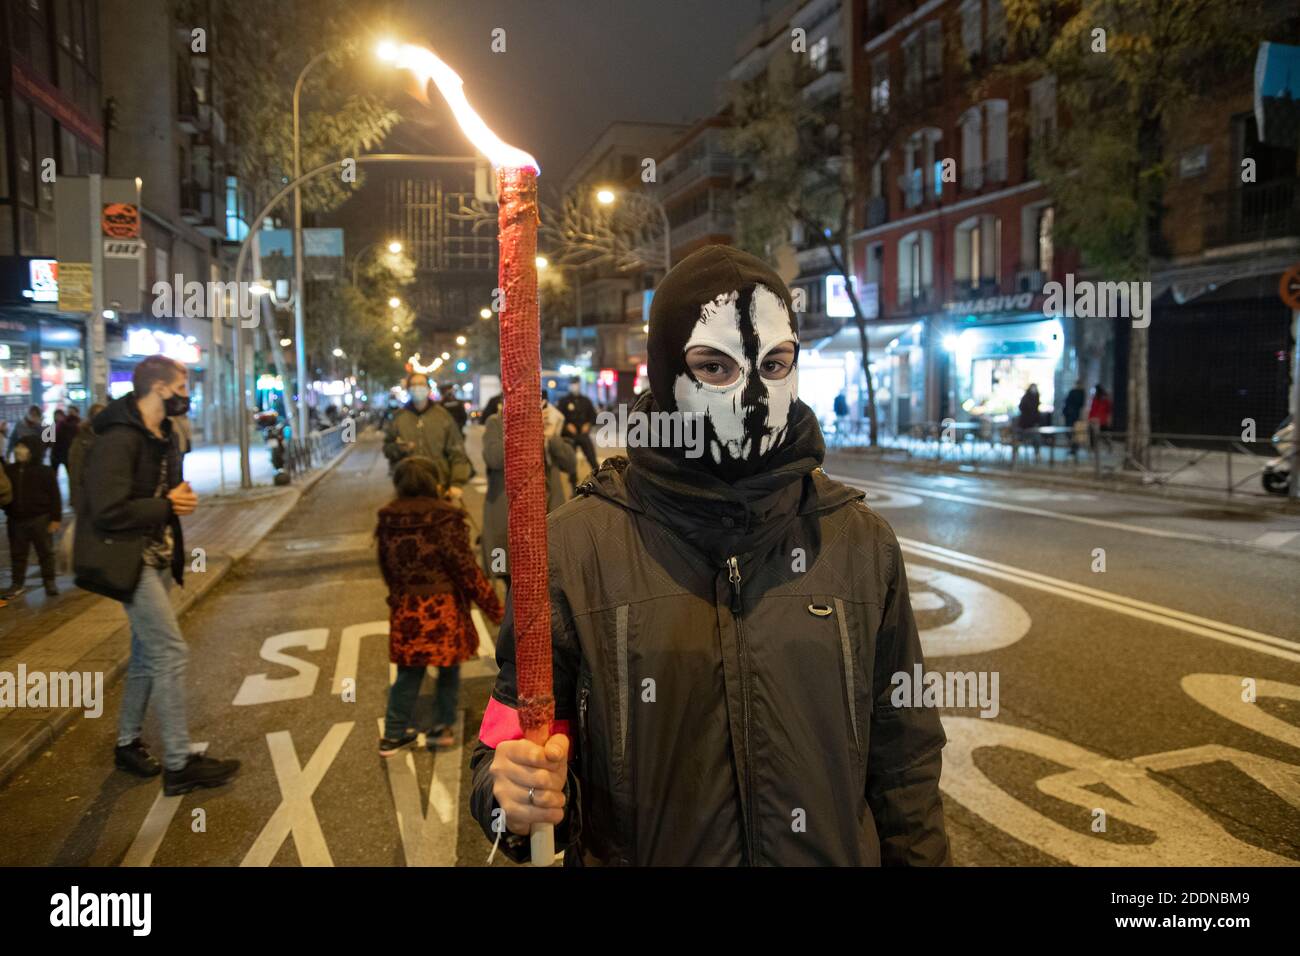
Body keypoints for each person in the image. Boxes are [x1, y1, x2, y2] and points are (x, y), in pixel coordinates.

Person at [469, 244, 948, 866]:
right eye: (715, 369)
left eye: (775, 364)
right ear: (665, 373)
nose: (753, 398)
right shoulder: (574, 550)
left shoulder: (859, 541)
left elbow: (904, 760)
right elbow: (508, 751)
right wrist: (512, 798)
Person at [74, 354, 240, 795]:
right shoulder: (118, 438)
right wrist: (168, 505)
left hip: (155, 554)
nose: (188, 397)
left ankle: (127, 743)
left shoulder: (163, 434)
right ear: (160, 389)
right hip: (126, 559)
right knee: (170, 652)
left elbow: (163, 492)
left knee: (148, 654)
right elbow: (106, 509)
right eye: (183, 389)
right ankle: (179, 762)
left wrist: (175, 498)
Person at [376, 456, 503, 755]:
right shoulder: (445, 518)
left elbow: (387, 567)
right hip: (442, 608)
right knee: (447, 670)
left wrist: (398, 596)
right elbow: (466, 570)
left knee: (409, 672)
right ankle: (442, 729)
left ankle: (392, 734)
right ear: (433, 482)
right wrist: (494, 608)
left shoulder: (388, 518)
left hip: (407, 607)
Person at [479, 391, 575, 578]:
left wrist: (551, 437)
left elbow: (569, 463)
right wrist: (524, 430)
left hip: (548, 511)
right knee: (511, 578)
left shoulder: (549, 423)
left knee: (548, 577)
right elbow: (494, 459)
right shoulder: (496, 422)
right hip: (510, 513)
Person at [383, 372, 471, 497]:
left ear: (428, 388)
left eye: (421, 384)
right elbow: (387, 448)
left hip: (438, 486)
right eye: (413, 384)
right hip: (407, 487)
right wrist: (400, 448)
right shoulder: (399, 417)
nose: (417, 388)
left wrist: (457, 483)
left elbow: (457, 451)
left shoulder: (443, 416)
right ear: (408, 389)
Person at [3, 436, 61, 599]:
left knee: (45, 552)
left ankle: (49, 581)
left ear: (33, 450)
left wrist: (56, 519)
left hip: (40, 519)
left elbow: (55, 496)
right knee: (17, 554)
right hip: (15, 520)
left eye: (23, 447)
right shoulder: (10, 470)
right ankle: (17, 583)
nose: (18, 450)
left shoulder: (45, 471)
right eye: (17, 447)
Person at [556, 377, 599, 488]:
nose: (575, 386)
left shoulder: (586, 401)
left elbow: (593, 416)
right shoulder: (563, 401)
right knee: (572, 461)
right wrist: (566, 426)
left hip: (583, 435)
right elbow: (558, 417)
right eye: (573, 384)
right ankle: (573, 486)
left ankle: (599, 481)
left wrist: (588, 424)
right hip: (570, 436)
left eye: (576, 384)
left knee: (592, 459)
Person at [67, 403, 104, 515]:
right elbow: (75, 472)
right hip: (88, 494)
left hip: (107, 492)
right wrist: (75, 500)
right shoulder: (81, 439)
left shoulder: (112, 435)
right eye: (97, 415)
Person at [54, 407, 80, 481]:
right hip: (62, 453)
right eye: (69, 412)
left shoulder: (62, 424)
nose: (70, 414)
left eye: (72, 412)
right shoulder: (79, 424)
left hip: (64, 453)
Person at [1062, 380, 1086, 458]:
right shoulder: (1076, 392)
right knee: (1071, 432)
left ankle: (1074, 447)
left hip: (1073, 415)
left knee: (1073, 432)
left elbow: (1080, 404)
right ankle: (1073, 447)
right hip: (1071, 415)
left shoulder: (1079, 392)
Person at [1087, 384, 1113, 453]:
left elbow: (1108, 410)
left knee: (1102, 435)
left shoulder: (1104, 400)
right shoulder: (1096, 398)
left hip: (1101, 420)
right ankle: (1093, 448)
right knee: (1093, 434)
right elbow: (1093, 409)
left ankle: (1107, 446)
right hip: (1096, 420)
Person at [1017, 383, 1041, 456]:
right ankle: (1016, 451)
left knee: (1036, 437)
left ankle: (1037, 453)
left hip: (1034, 422)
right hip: (1025, 423)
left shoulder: (1036, 397)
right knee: (1022, 437)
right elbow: (1021, 407)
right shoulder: (1026, 397)